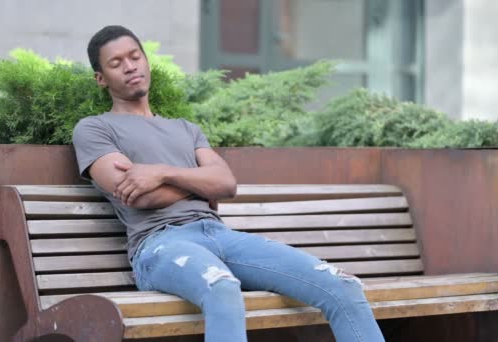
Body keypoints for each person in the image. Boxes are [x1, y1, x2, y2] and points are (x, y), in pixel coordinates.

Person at [72, 25, 385, 342]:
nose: (130, 66)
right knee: (221, 287)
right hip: (160, 245)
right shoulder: (95, 129)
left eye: (135, 56)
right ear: (101, 78)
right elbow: (140, 197)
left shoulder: (186, 129)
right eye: (116, 63)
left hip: (219, 234)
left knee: (341, 285)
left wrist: (161, 172)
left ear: (146, 60)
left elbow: (226, 184)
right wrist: (200, 182)